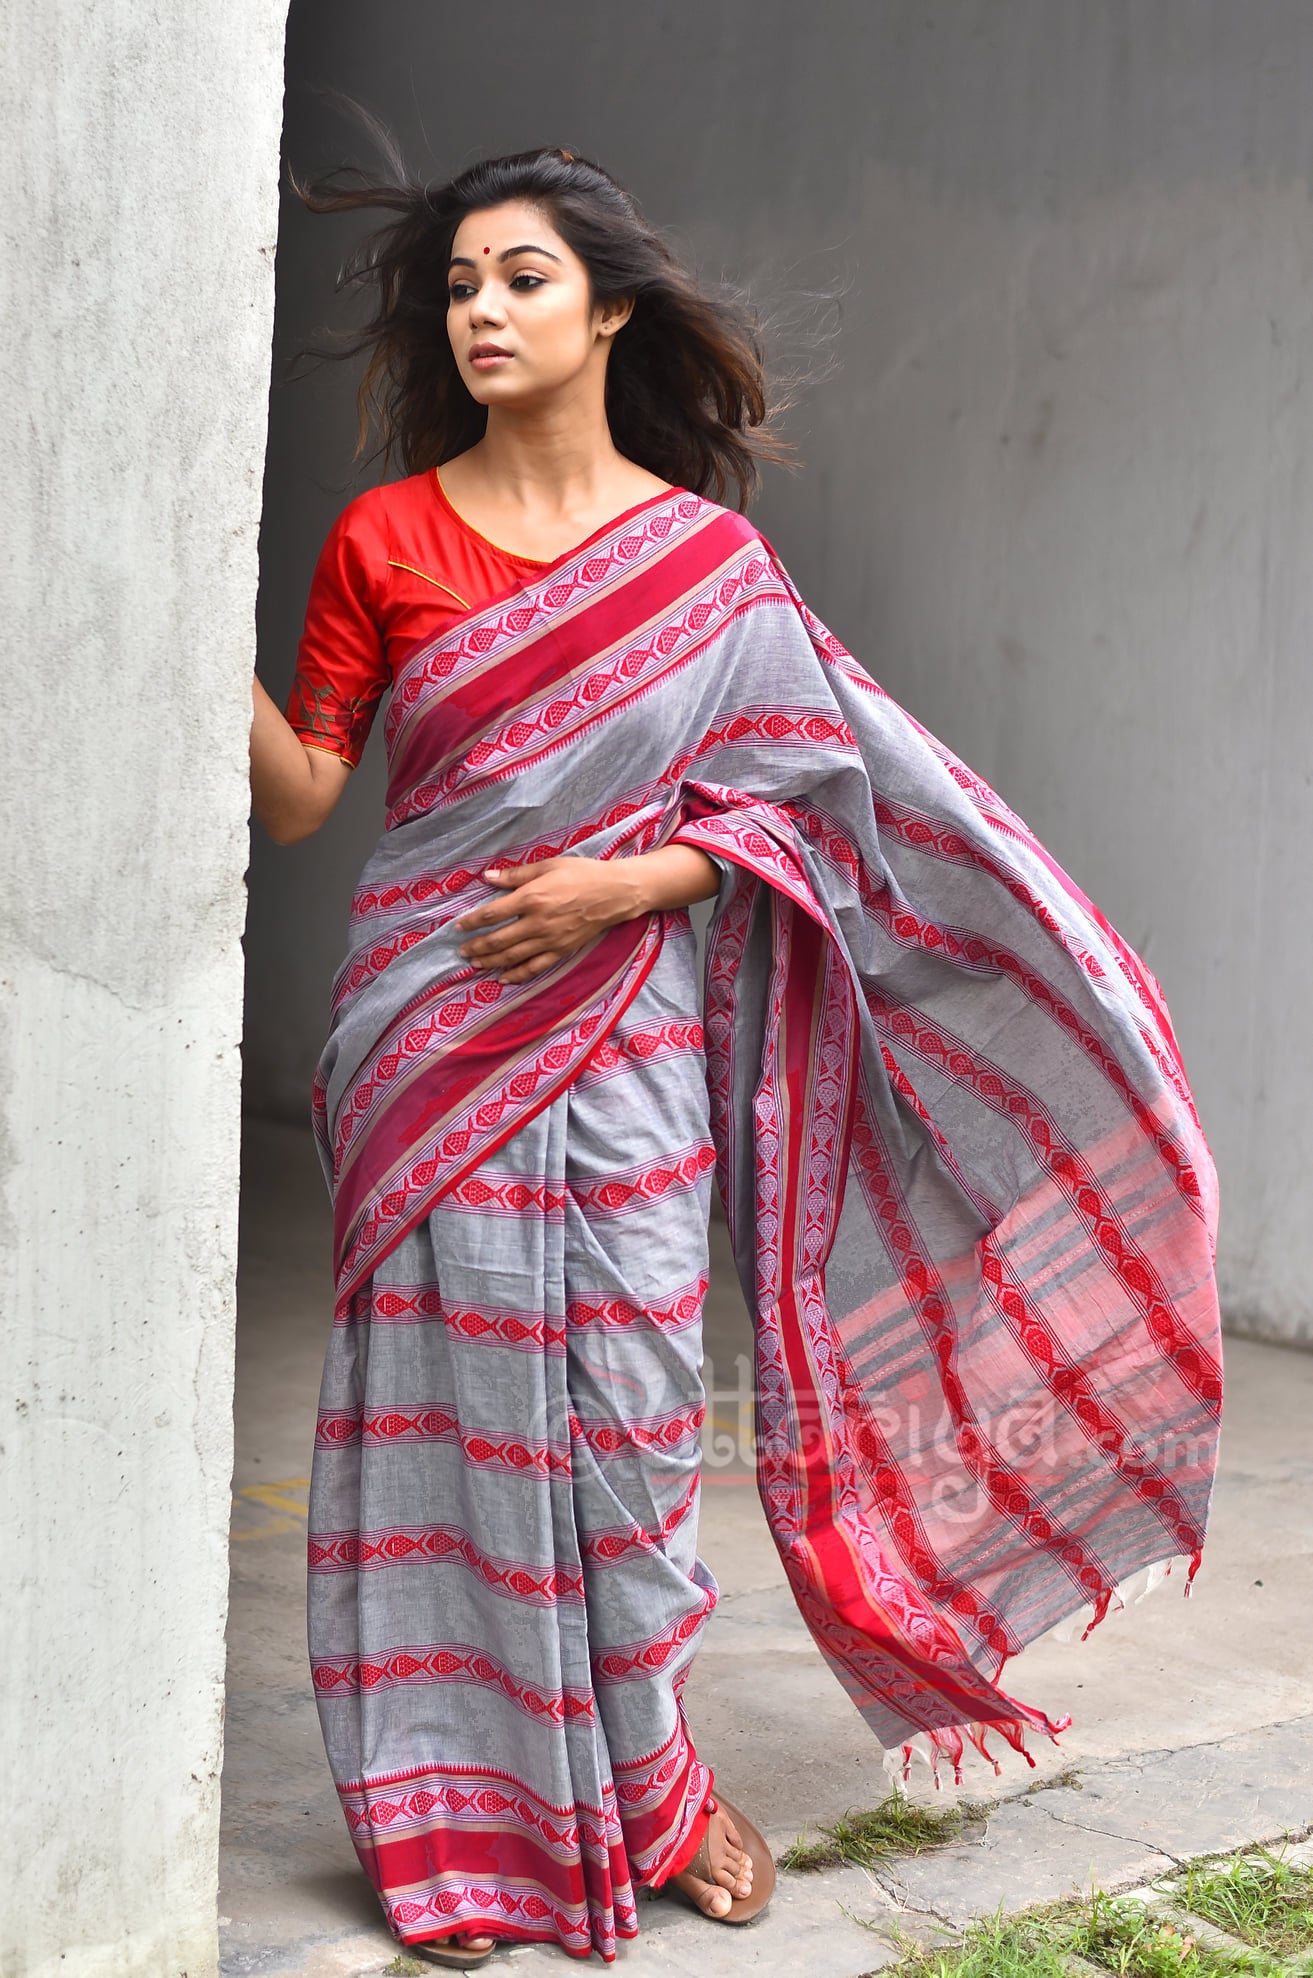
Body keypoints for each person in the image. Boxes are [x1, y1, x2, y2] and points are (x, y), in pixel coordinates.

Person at [249, 141, 1223, 1969]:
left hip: (619, 1043)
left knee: (622, 1428)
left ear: (609, 306)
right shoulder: (382, 540)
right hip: (424, 1041)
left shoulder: (705, 562)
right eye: (458, 285)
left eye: (521, 278)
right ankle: (457, 1826)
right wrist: (147, 587)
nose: (481, 312)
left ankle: (660, 1785)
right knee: (441, 1433)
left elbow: (809, 812)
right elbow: (306, 793)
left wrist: (622, 882)